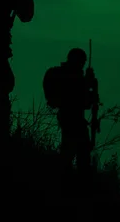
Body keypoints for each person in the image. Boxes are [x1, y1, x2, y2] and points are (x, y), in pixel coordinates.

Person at [43, 48, 98, 178]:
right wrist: (88, 84)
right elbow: (78, 98)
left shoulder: (69, 75)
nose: (83, 65)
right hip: (72, 119)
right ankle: (68, 182)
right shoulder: (70, 76)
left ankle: (68, 180)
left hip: (70, 118)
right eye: (82, 62)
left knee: (74, 151)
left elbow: (83, 101)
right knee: (75, 153)